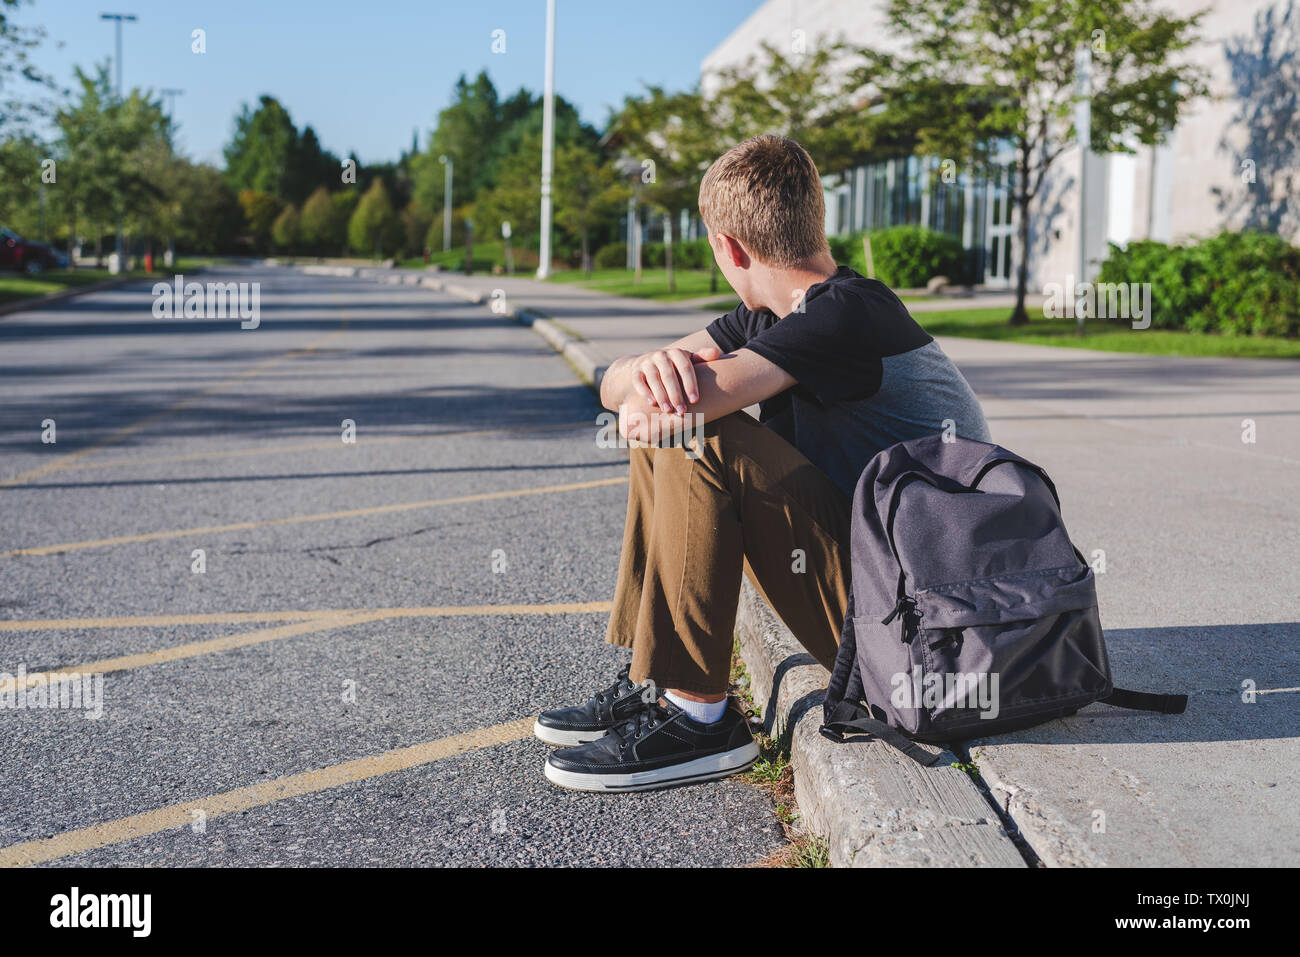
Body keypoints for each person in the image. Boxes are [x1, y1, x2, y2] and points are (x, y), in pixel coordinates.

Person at [536, 135, 991, 792]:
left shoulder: (846, 315)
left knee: (699, 434)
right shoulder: (776, 316)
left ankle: (699, 716)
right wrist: (644, 368)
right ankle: (654, 678)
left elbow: (656, 416)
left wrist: (652, 389)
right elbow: (617, 389)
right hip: (893, 605)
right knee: (683, 417)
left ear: (729, 248)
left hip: (924, 635)